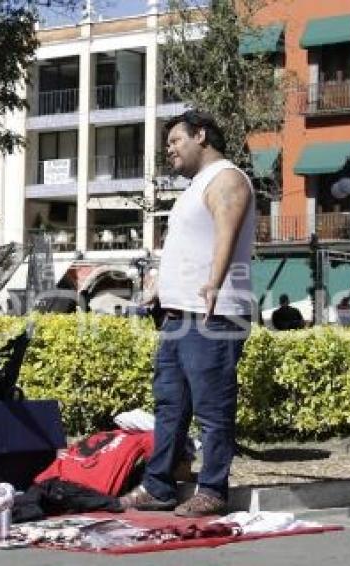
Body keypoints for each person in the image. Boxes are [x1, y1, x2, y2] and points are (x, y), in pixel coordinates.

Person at [119, 111, 254, 518]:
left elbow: (227, 231)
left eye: (176, 141)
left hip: (209, 315)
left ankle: (213, 490)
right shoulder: (195, 187)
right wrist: (159, 284)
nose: (170, 150)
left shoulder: (226, 178)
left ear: (201, 135)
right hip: (179, 316)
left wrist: (214, 282)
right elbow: (187, 243)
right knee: (170, 404)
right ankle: (159, 486)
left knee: (212, 409)